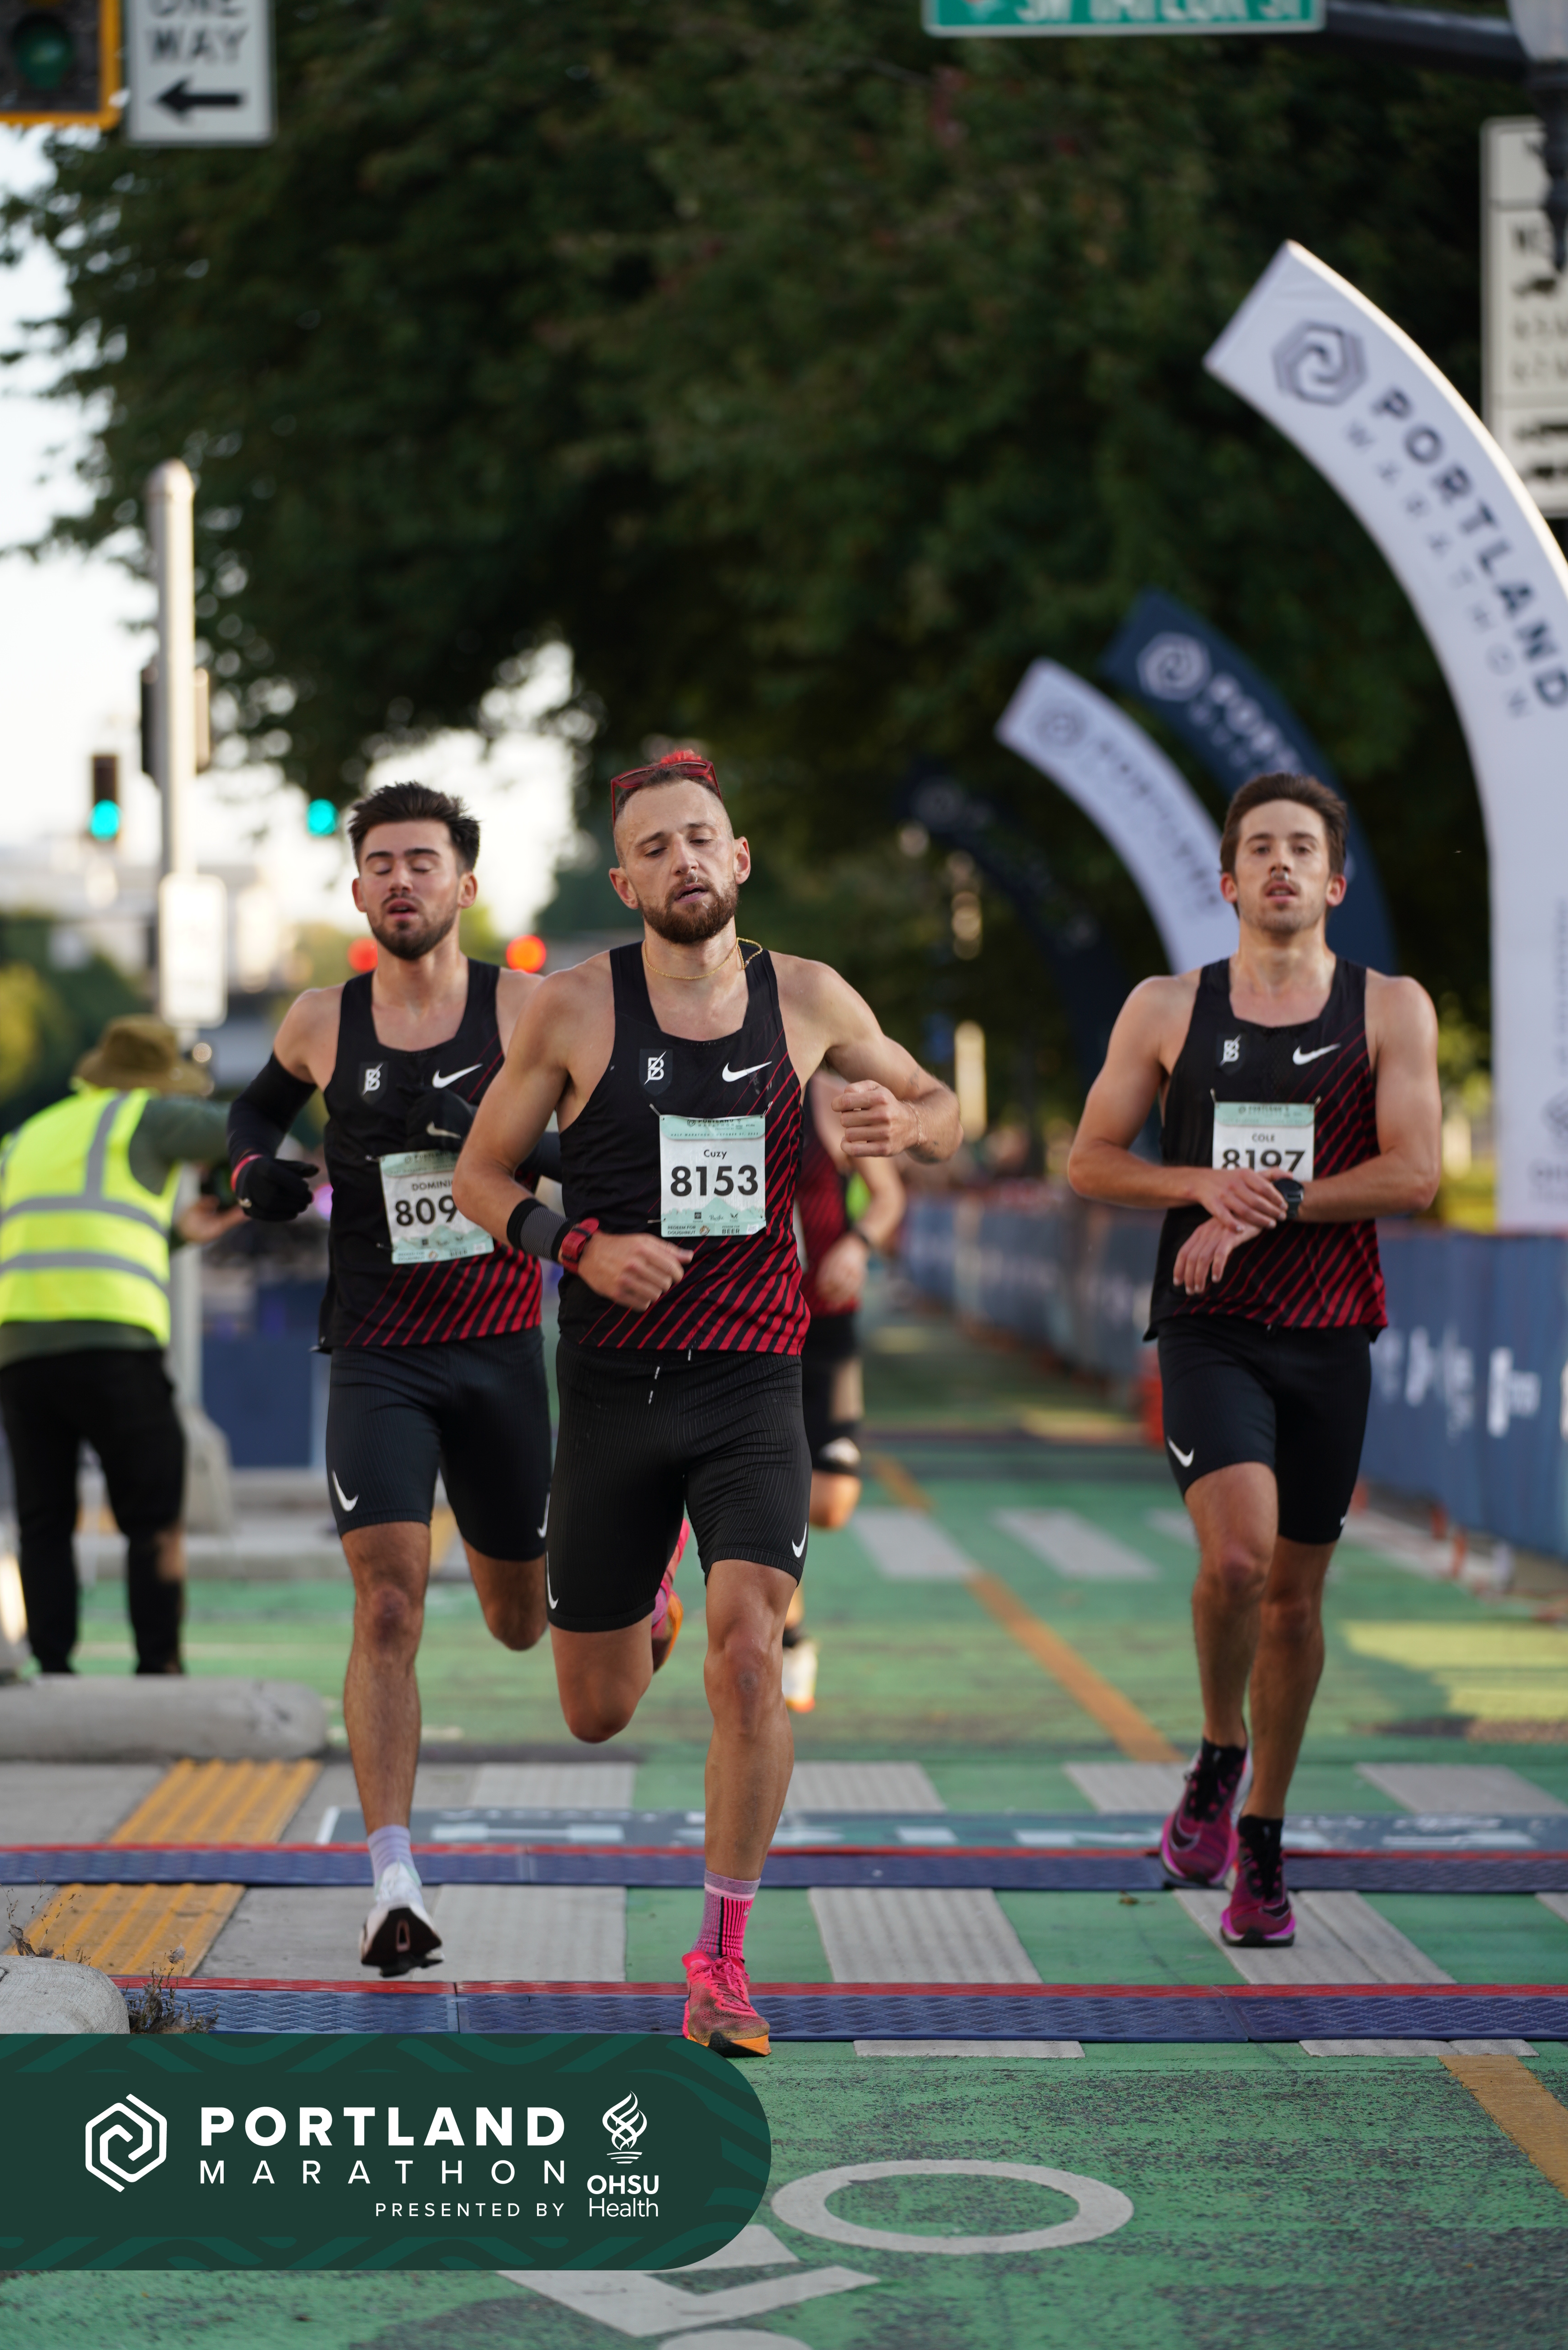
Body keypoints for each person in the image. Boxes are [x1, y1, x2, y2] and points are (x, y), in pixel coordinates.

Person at [453, 749, 960, 2055]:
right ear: (625, 883)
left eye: (701, 837)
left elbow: (941, 1108)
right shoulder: (571, 1010)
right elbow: (479, 1176)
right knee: (596, 1709)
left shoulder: (809, 997)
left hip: (752, 1384)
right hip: (613, 1395)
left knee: (751, 1657)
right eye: (655, 846)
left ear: (738, 860)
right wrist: (576, 1248)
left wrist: (906, 1126)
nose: (683, 859)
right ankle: (648, 1602)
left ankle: (721, 1963)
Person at [226, 780, 687, 1979]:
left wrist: (520, 1162)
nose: (401, 881)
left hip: (498, 1353)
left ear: (464, 884)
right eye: (380, 863)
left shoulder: (528, 1007)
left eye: (422, 862)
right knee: (387, 1605)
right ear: (357, 889)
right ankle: (393, 1882)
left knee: (521, 1622)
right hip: (376, 1353)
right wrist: (251, 1173)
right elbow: (254, 1115)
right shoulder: (321, 1020)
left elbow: (608, 1140)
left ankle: (643, 1593)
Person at [1067, 773, 1439, 1948]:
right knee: (1236, 1561)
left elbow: (1414, 1172)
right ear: (1227, 882)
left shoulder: (1391, 1008)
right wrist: (1200, 1186)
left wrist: (1274, 1200)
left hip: (1330, 1330)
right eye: (1261, 849)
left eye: (1302, 849)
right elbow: (1090, 1158)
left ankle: (1262, 1833)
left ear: (1334, 882)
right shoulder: (1168, 1007)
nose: (1282, 864)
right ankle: (1219, 1747)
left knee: (1294, 1601)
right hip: (1209, 1324)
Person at [0, 1016, 242, 1677]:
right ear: (159, 1082)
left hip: (20, 1347)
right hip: (114, 1342)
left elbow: (65, 1230)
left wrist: (177, 1234)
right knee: (152, 1512)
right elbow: (245, 1128)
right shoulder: (148, 1115)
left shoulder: (28, 1135)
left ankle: (53, 1668)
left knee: (44, 1518)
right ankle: (158, 1667)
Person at [779, 1071, 906, 1712]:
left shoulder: (829, 1097)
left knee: (829, 1504)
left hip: (827, 1323)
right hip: (751, 1330)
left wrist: (857, 1245)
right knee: (769, 1494)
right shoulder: (712, 1087)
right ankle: (789, 1637)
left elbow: (888, 1196)